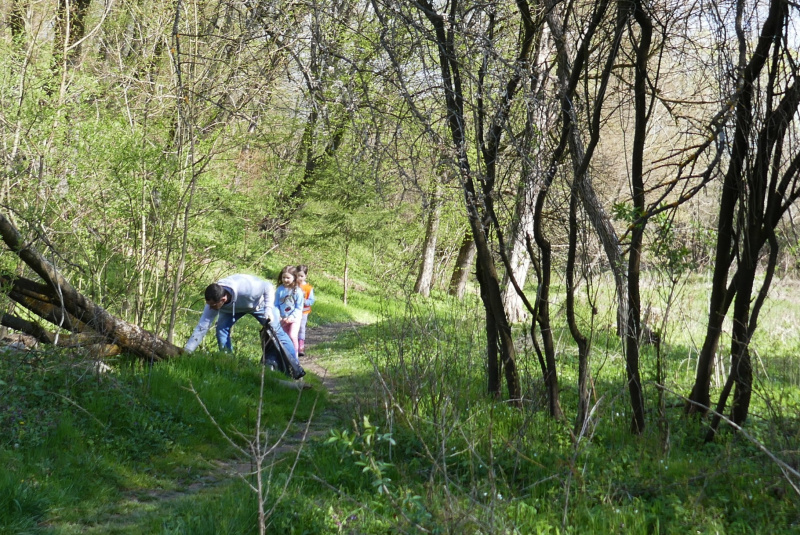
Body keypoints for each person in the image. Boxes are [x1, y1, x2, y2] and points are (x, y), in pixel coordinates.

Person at [183, 274, 301, 376]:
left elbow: (268, 286)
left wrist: (268, 310)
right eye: (209, 304)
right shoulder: (213, 301)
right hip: (231, 310)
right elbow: (202, 327)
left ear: (223, 299)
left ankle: (295, 369)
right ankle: (227, 362)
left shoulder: (246, 288)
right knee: (221, 330)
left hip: (260, 305)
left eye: (213, 305)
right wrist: (187, 351)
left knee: (277, 332)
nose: (210, 308)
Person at [274, 265, 304, 352]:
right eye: (283, 277)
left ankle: (294, 356)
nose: (285, 280)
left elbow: (299, 307)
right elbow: (275, 305)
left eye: (288, 278)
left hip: (294, 319)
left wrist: (291, 317)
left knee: (292, 335)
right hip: (282, 318)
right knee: (284, 337)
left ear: (294, 278)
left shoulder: (297, 291)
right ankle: (285, 356)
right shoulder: (279, 290)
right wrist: (278, 315)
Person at [296, 264, 315, 357]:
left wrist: (305, 301)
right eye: (297, 275)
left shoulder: (308, 288)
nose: (299, 278)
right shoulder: (293, 286)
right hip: (293, 311)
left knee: (301, 327)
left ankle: (301, 346)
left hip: (304, 311)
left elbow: (311, 300)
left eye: (301, 276)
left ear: (305, 276)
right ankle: (293, 345)